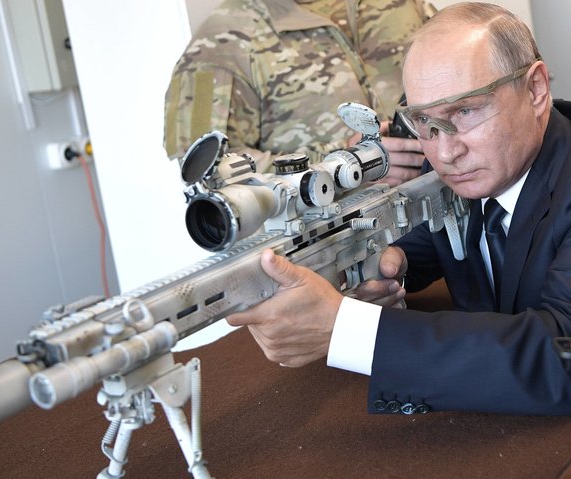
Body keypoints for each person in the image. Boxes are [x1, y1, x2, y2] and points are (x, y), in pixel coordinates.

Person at [226, 2, 571, 415]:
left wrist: (347, 329)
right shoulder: (472, 164)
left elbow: (559, 356)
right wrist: (386, 263)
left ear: (535, 90)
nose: (445, 152)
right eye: (423, 122)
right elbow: (439, 236)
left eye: (465, 111)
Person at [164, 0, 435, 185]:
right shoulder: (219, 42)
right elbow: (207, 173)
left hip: (446, 221)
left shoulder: (402, 5)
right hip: (338, 244)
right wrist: (341, 162)